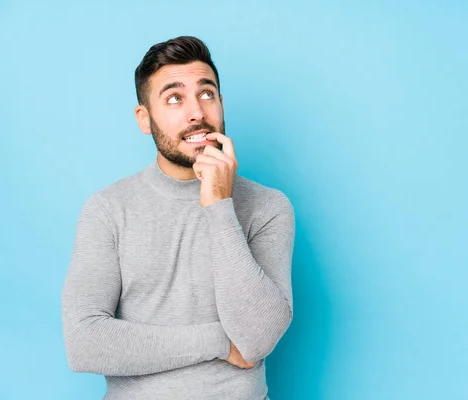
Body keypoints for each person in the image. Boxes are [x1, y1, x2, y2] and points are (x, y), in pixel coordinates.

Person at [61, 36, 295, 400]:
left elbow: (257, 339)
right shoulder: (107, 208)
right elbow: (85, 342)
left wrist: (219, 205)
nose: (197, 113)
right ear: (145, 118)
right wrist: (218, 340)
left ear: (220, 104)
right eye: (174, 98)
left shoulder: (268, 206)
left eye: (207, 94)